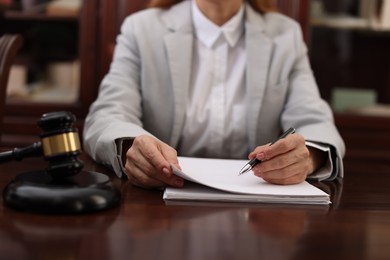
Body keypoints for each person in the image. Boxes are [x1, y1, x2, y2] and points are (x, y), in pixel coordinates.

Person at [83, 0, 345, 189]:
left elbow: (315, 121)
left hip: (257, 203)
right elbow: (107, 114)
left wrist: (308, 157)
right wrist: (133, 147)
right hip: (164, 199)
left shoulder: (285, 34)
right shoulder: (141, 29)